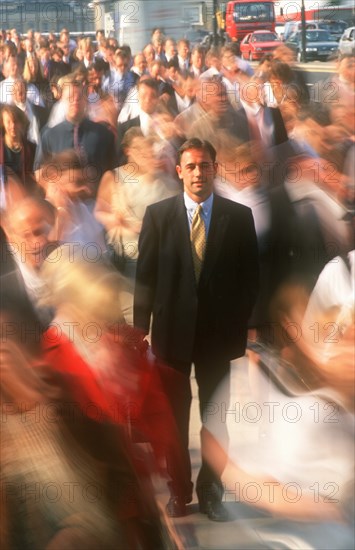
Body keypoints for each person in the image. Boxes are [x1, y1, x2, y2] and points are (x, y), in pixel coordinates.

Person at [134, 138, 259, 520]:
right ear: (179, 171)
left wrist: (242, 329)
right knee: (173, 420)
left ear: (215, 169)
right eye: (190, 166)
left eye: (205, 166)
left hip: (217, 340)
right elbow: (146, 277)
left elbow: (249, 278)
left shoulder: (238, 217)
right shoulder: (158, 216)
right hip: (171, 335)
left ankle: (211, 492)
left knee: (216, 418)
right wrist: (139, 331)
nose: (198, 173)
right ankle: (178, 491)